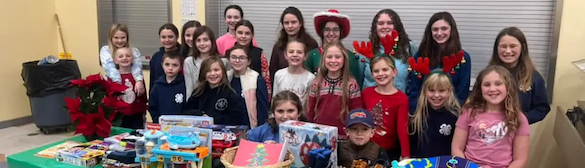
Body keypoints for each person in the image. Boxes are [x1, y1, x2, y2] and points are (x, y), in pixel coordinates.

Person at [451, 65, 530, 168]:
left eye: (498, 84)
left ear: (508, 87)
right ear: (480, 89)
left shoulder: (519, 118)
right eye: (487, 85)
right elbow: (457, 149)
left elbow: (520, 159)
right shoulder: (468, 113)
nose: (492, 89)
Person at [407, 12, 471, 115]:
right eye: (435, 29)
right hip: (423, 113)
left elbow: (462, 92)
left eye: (444, 28)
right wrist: (417, 113)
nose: (439, 33)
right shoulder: (420, 56)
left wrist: (450, 114)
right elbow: (414, 89)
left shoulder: (463, 58)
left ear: (452, 30)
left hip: (450, 113)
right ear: (430, 32)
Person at [488, 27, 550, 124]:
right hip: (487, 130)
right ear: (496, 49)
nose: (508, 51)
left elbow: (542, 108)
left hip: (518, 131)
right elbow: (476, 104)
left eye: (513, 46)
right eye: (503, 46)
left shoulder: (534, 77)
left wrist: (521, 119)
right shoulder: (487, 75)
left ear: (522, 48)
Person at [307, 42, 362, 138]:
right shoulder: (316, 83)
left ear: (344, 59)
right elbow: (310, 110)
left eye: (337, 57)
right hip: (320, 135)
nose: (333, 60)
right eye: (329, 57)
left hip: (344, 137)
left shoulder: (351, 84)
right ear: (323, 59)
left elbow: (356, 111)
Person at [361, 56, 410, 160]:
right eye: (376, 71)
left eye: (385, 69)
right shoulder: (366, 93)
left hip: (388, 151)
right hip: (365, 148)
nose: (380, 74)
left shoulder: (401, 98)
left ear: (394, 72)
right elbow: (361, 119)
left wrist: (405, 154)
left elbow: (402, 128)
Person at [360, 9, 418, 91]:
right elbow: (358, 78)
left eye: (390, 23)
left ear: (396, 26)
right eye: (381, 23)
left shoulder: (409, 48)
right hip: (370, 101)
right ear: (375, 27)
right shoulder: (366, 49)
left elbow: (415, 78)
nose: (385, 27)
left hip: (398, 101)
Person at [305, 9, 363, 88]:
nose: (331, 33)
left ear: (340, 32)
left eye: (335, 30)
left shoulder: (351, 57)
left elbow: (356, 86)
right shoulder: (311, 55)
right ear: (322, 32)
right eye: (327, 29)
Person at [409, 73, 461, 158]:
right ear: (425, 91)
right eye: (432, 90)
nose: (436, 95)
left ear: (449, 91)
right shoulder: (415, 113)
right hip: (418, 163)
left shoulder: (455, 115)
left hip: (443, 164)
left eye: (441, 91)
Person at [184, 57, 247, 125]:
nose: (212, 74)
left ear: (223, 71)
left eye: (216, 70)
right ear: (203, 74)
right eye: (208, 71)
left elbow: (237, 119)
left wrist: (212, 119)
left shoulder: (231, 94)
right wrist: (201, 115)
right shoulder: (198, 92)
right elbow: (186, 112)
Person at [270, 6, 319, 84]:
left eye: (293, 22)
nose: (290, 26)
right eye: (286, 23)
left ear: (300, 23)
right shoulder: (278, 47)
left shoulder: (311, 44)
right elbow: (273, 73)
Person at [227, 45, 269, 128]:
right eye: (234, 57)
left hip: (250, 129)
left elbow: (263, 111)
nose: (237, 61)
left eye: (242, 58)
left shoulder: (256, 80)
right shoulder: (226, 78)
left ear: (248, 61)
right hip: (229, 128)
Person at [184, 26, 230, 98]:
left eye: (205, 40)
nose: (202, 44)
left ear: (212, 41)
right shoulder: (189, 62)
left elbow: (227, 86)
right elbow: (189, 89)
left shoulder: (224, 61)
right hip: (198, 102)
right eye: (198, 40)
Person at [99, 23, 145, 97]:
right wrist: (118, 85)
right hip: (114, 82)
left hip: (132, 82)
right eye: (116, 38)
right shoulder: (106, 50)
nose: (119, 41)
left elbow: (137, 67)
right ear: (111, 38)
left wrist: (139, 80)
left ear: (127, 37)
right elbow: (110, 68)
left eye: (123, 37)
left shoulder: (134, 51)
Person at [110, 47, 147, 129]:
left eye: (128, 56)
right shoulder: (112, 78)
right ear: (115, 60)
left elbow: (143, 97)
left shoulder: (138, 78)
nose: (124, 58)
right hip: (119, 117)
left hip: (136, 116)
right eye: (121, 56)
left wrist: (144, 113)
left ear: (133, 59)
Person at [234, 20, 272, 97]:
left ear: (252, 35)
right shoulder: (229, 53)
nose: (243, 36)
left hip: (255, 95)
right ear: (235, 34)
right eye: (240, 33)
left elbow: (266, 79)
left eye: (247, 33)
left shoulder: (259, 53)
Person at [273, 40, 315, 104]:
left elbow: (311, 104)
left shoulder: (310, 78)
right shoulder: (279, 75)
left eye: (299, 52)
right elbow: (275, 100)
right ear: (285, 55)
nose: (295, 55)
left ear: (305, 56)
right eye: (291, 52)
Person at [148, 52, 186, 123]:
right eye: (167, 65)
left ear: (180, 67)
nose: (170, 68)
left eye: (175, 65)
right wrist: (158, 121)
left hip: (181, 125)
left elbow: (187, 107)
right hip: (161, 125)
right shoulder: (157, 86)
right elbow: (152, 107)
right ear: (162, 65)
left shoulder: (184, 85)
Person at [149, 23, 181, 91]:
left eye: (170, 37)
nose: (167, 40)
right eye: (163, 37)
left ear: (177, 37)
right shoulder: (156, 57)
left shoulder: (183, 55)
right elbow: (152, 80)